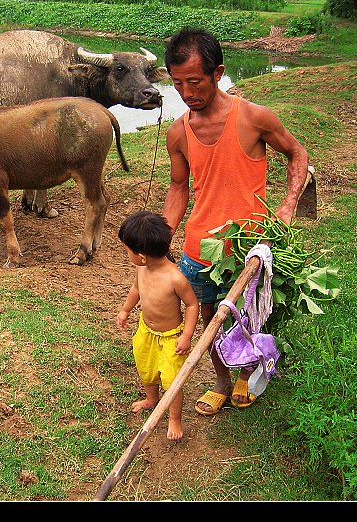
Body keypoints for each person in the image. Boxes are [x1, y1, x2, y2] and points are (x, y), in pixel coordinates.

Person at [161, 27, 310, 416]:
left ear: (218, 73)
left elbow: (297, 154)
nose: (187, 92)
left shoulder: (253, 117)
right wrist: (161, 240)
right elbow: (179, 189)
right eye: (178, 83)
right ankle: (222, 380)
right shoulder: (178, 132)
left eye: (194, 81)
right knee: (207, 319)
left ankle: (246, 374)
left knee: (246, 317)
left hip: (247, 247)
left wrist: (287, 206)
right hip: (198, 250)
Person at [116, 210, 199, 440]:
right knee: (146, 365)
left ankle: (174, 418)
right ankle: (152, 399)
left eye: (127, 250)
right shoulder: (141, 268)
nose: (127, 254)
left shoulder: (175, 278)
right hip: (146, 330)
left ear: (142, 255)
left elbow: (192, 305)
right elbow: (136, 290)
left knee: (173, 380)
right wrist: (125, 310)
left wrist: (187, 336)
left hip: (171, 337)